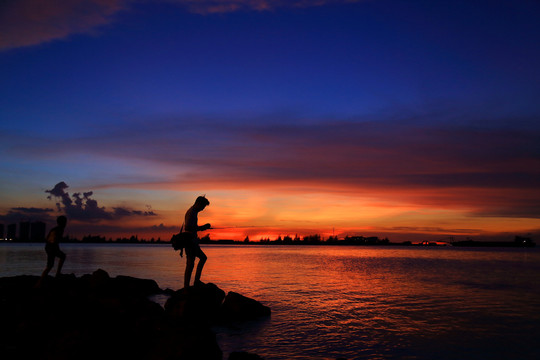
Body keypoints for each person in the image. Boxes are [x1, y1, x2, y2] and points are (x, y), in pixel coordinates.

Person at [183, 196, 211, 288]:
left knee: (191, 263)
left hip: (191, 241)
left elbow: (191, 227)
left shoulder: (193, 211)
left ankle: (189, 285)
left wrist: (201, 228)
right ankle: (194, 282)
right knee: (199, 259)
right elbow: (188, 228)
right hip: (190, 242)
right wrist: (203, 227)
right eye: (203, 206)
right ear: (198, 203)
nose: (203, 209)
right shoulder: (191, 212)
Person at [37, 215, 67, 286]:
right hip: (51, 247)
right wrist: (54, 248)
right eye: (64, 222)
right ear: (61, 223)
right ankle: (39, 283)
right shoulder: (59, 229)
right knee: (50, 265)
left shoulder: (55, 229)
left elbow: (48, 238)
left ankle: (57, 273)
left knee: (60, 258)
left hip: (49, 247)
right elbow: (54, 240)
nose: (65, 224)